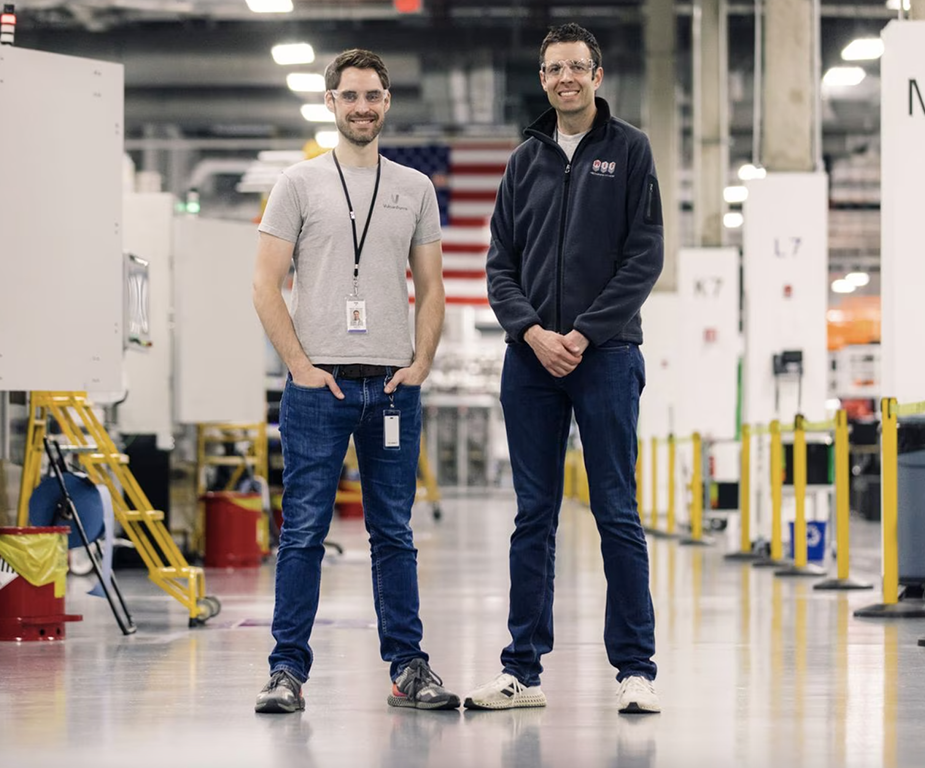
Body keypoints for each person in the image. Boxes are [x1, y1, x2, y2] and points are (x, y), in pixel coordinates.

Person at [252, 48, 457, 714]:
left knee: (393, 532)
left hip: (393, 391)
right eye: (351, 96)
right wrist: (300, 364)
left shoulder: (415, 189)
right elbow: (264, 284)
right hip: (319, 393)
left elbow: (432, 287)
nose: (363, 107)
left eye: (374, 96)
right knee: (304, 532)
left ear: (387, 102)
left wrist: (420, 362)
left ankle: (408, 665)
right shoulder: (298, 184)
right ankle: (287, 671)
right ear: (332, 102)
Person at [466, 23, 664, 714]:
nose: (565, 78)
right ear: (544, 78)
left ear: (597, 75)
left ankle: (636, 669)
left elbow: (645, 258)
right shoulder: (524, 161)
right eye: (554, 69)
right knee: (533, 517)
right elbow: (499, 265)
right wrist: (531, 331)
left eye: (577, 66)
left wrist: (581, 333)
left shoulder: (631, 151)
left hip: (605, 357)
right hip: (529, 362)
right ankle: (522, 668)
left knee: (616, 512)